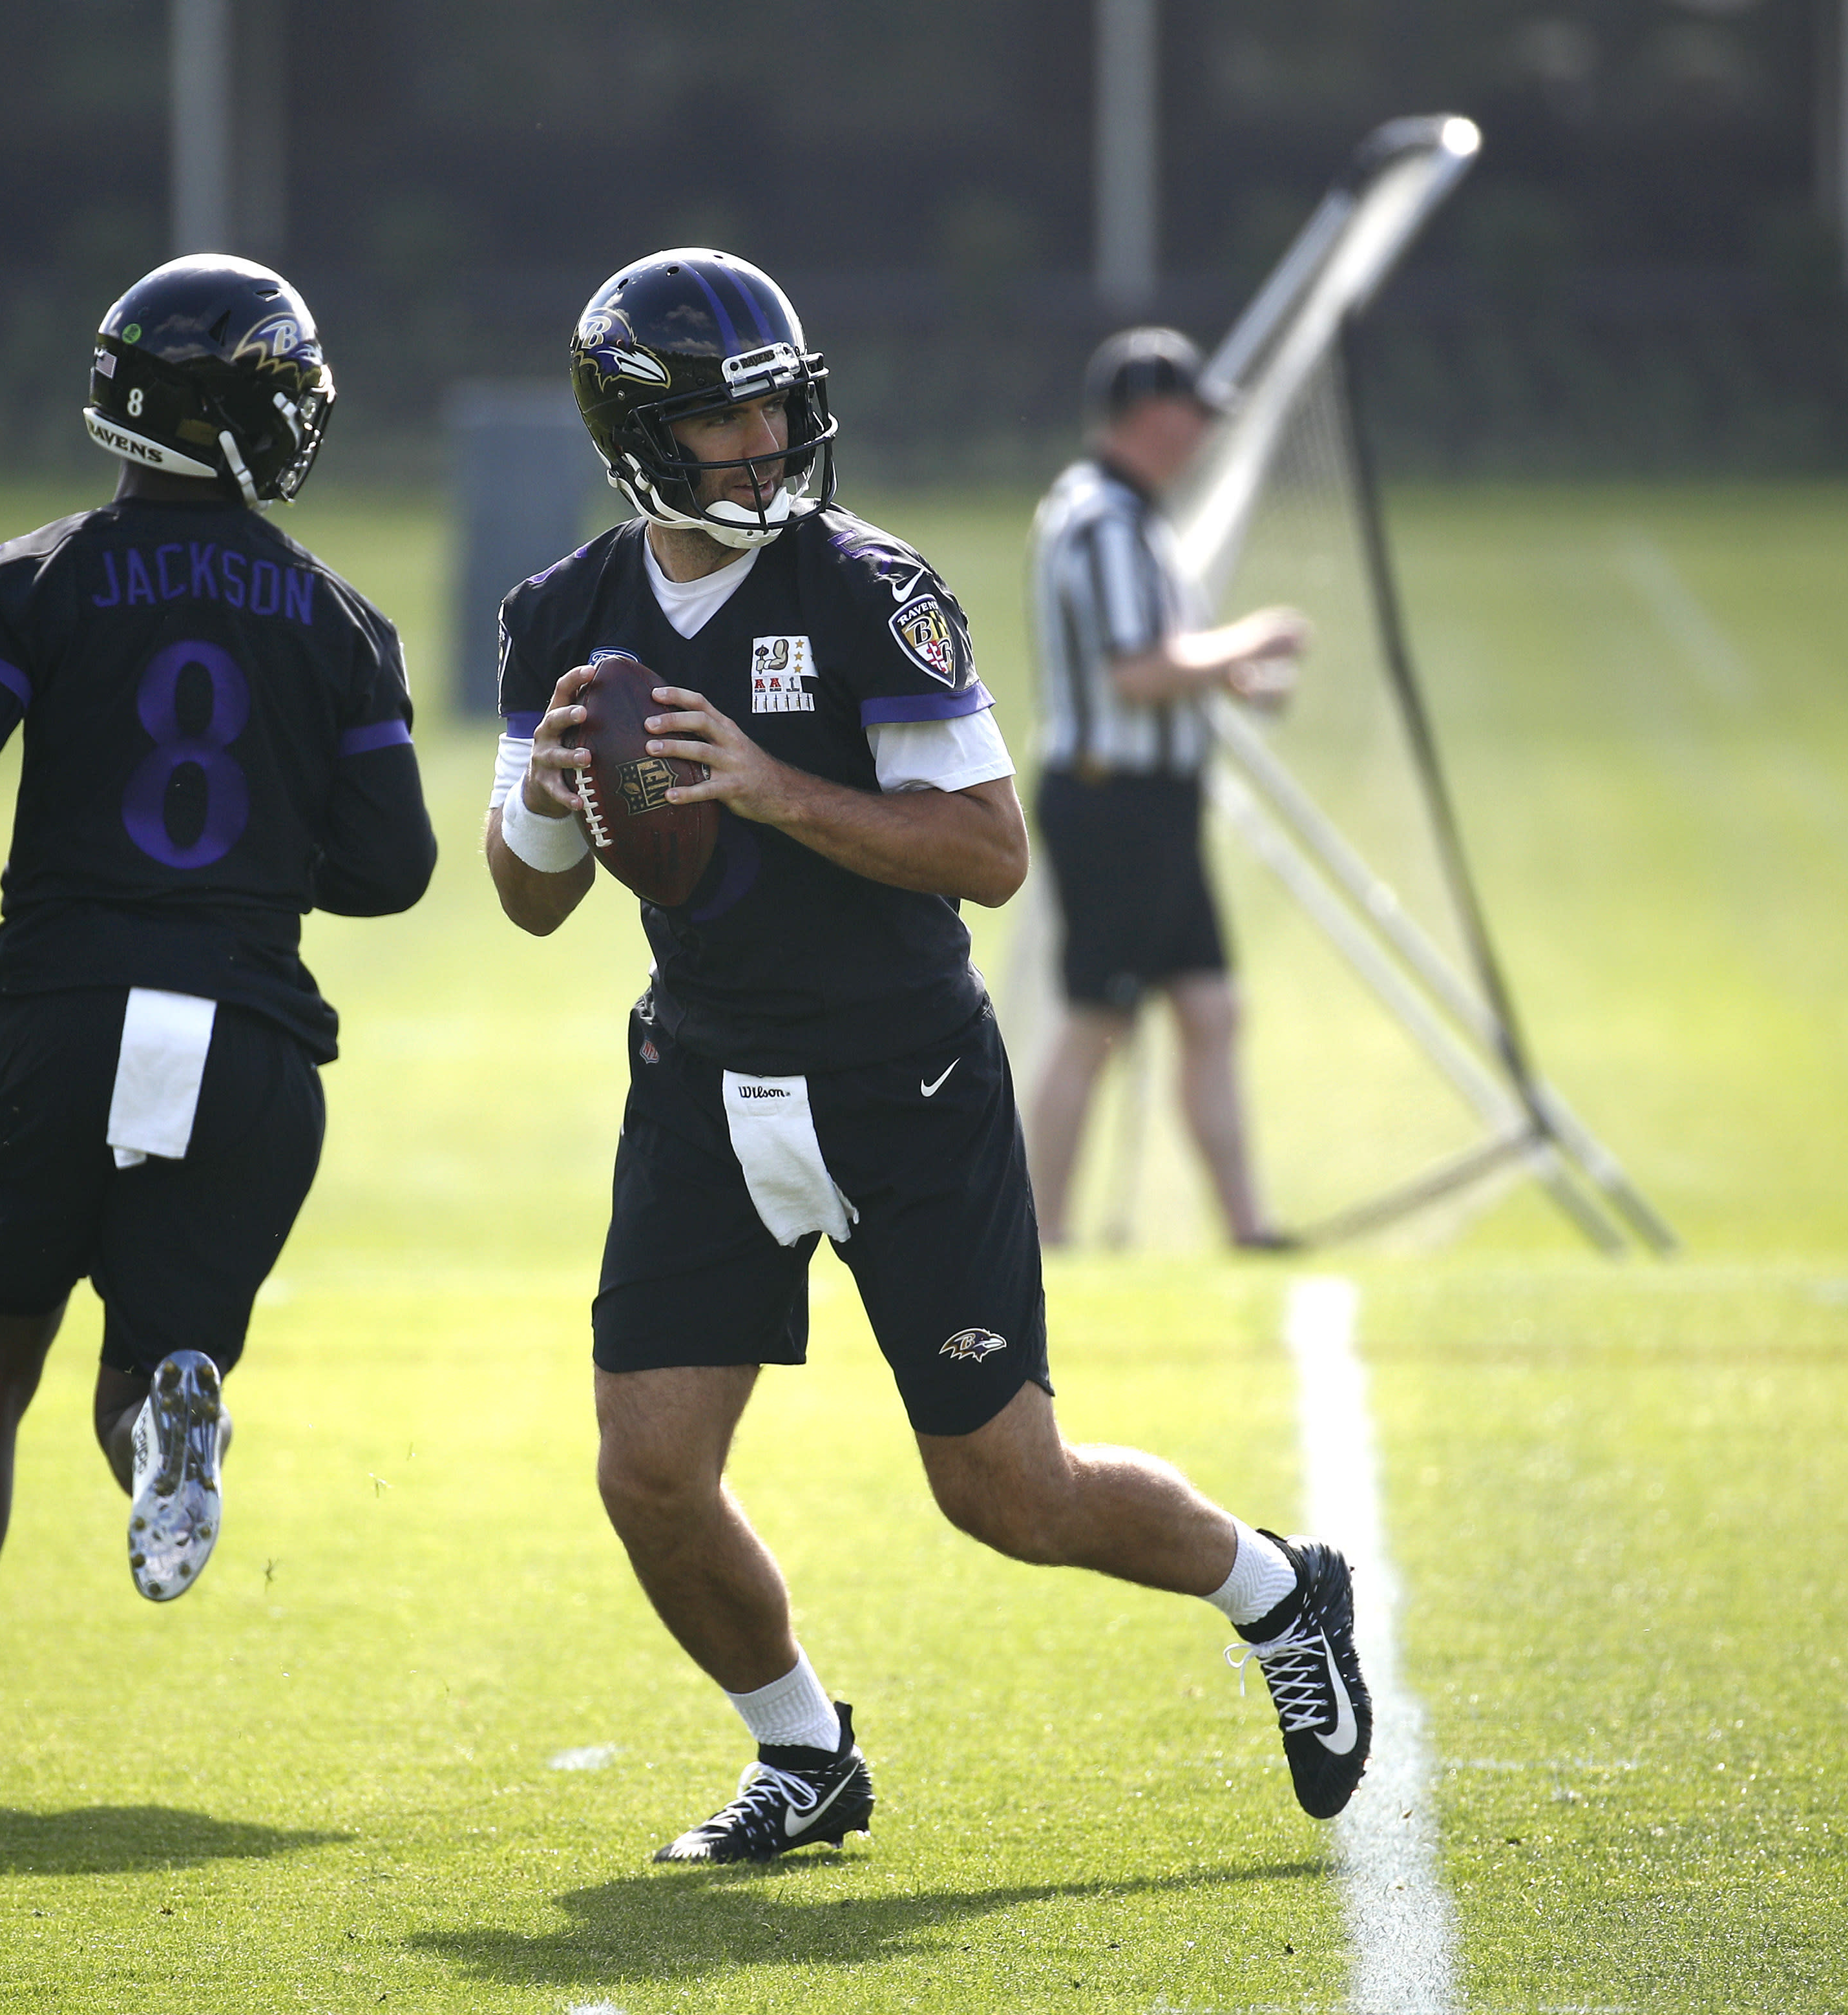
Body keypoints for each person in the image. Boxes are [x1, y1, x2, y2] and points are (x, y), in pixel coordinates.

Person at [483, 250, 1373, 1863]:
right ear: (634, 437)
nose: (765, 441)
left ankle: (1279, 1589)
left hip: (902, 1080)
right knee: (650, 1472)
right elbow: (531, 905)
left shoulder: (866, 587)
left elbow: (990, 853)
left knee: (1008, 1495)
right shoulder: (563, 619)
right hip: (702, 1077)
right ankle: (803, 1754)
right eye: (722, 419)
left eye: (776, 404)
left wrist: (772, 786)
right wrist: (550, 800)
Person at [0, 254, 437, 1801]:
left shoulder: (24, 580)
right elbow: (396, 869)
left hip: (55, 1008)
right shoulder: (341, 618)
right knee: (145, 1368)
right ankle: (169, 1424)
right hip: (240, 1027)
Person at [1023, 328, 1308, 1251]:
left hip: (1153, 801)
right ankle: (1044, 1232)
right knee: (1098, 1019)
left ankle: (1246, 1226)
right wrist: (1249, 642)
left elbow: (1154, 661)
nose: (1202, 436)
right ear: (1150, 418)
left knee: (1210, 1007)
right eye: (1191, 416)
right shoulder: (1103, 519)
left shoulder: (1125, 514)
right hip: (1114, 798)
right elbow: (1135, 672)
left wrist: (1225, 679)